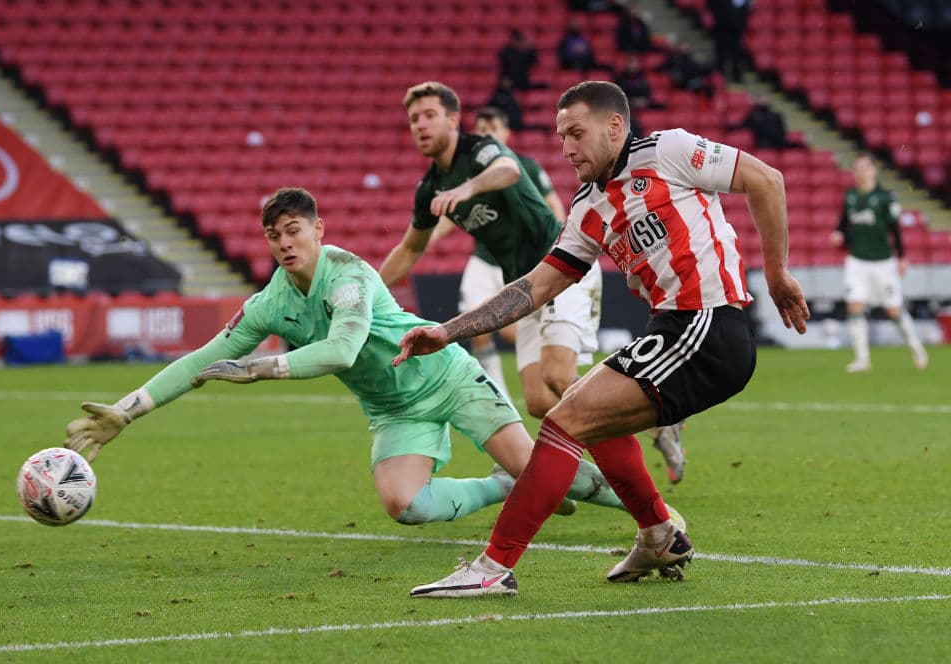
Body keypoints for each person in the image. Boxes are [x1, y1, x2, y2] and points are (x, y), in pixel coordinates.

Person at [393, 81, 809, 596]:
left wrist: (777, 274)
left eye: (576, 133)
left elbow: (766, 179)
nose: (567, 148)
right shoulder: (588, 207)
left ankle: (493, 567)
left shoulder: (668, 151)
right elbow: (534, 287)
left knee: (564, 420)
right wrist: (447, 331)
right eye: (561, 137)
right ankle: (658, 535)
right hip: (672, 330)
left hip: (707, 326)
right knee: (583, 414)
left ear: (615, 127)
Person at [64, 187, 679, 531]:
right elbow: (202, 358)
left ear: (319, 230)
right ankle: (498, 485)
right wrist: (127, 410)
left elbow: (343, 350)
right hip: (392, 407)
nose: (285, 242)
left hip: (446, 376)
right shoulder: (269, 303)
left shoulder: (349, 274)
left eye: (294, 230)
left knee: (553, 474)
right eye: (274, 235)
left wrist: (261, 369)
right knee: (405, 506)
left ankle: (655, 515)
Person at [380, 81, 604, 424]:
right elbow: (410, 248)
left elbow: (508, 170)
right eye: (414, 119)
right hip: (524, 285)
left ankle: (636, 414)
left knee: (558, 375)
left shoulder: (481, 149)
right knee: (538, 401)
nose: (421, 124)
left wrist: (468, 187)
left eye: (429, 115)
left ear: (453, 120)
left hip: (559, 266)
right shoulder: (429, 188)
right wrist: (369, 289)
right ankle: (627, 406)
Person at [427, 106, 566, 395]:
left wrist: (561, 247)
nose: (487, 133)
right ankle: (497, 397)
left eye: (493, 128)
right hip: (483, 260)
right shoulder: (465, 174)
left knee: (512, 330)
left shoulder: (525, 166)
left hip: (525, 262)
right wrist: (428, 237)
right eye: (482, 129)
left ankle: (557, 369)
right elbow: (450, 216)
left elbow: (553, 205)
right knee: (476, 326)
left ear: (506, 133)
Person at [829, 154, 928, 372]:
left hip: (883, 261)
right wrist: (838, 233)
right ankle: (862, 359)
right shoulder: (850, 196)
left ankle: (915, 345)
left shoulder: (885, 198)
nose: (861, 172)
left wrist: (902, 257)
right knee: (854, 305)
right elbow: (844, 222)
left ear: (874, 170)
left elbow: (895, 229)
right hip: (857, 260)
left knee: (893, 310)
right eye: (857, 168)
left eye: (865, 167)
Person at [708, 0, 751, 82]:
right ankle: (720, 76)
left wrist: (740, 19)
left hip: (737, 27)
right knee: (721, 51)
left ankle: (736, 75)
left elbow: (745, 7)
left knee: (737, 51)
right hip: (722, 26)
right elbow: (712, 5)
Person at [727, 97, 794, 150]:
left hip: (777, 144)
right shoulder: (753, 116)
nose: (763, 101)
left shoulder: (776, 116)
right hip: (762, 145)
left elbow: (782, 132)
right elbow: (742, 125)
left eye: (764, 99)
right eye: (761, 99)